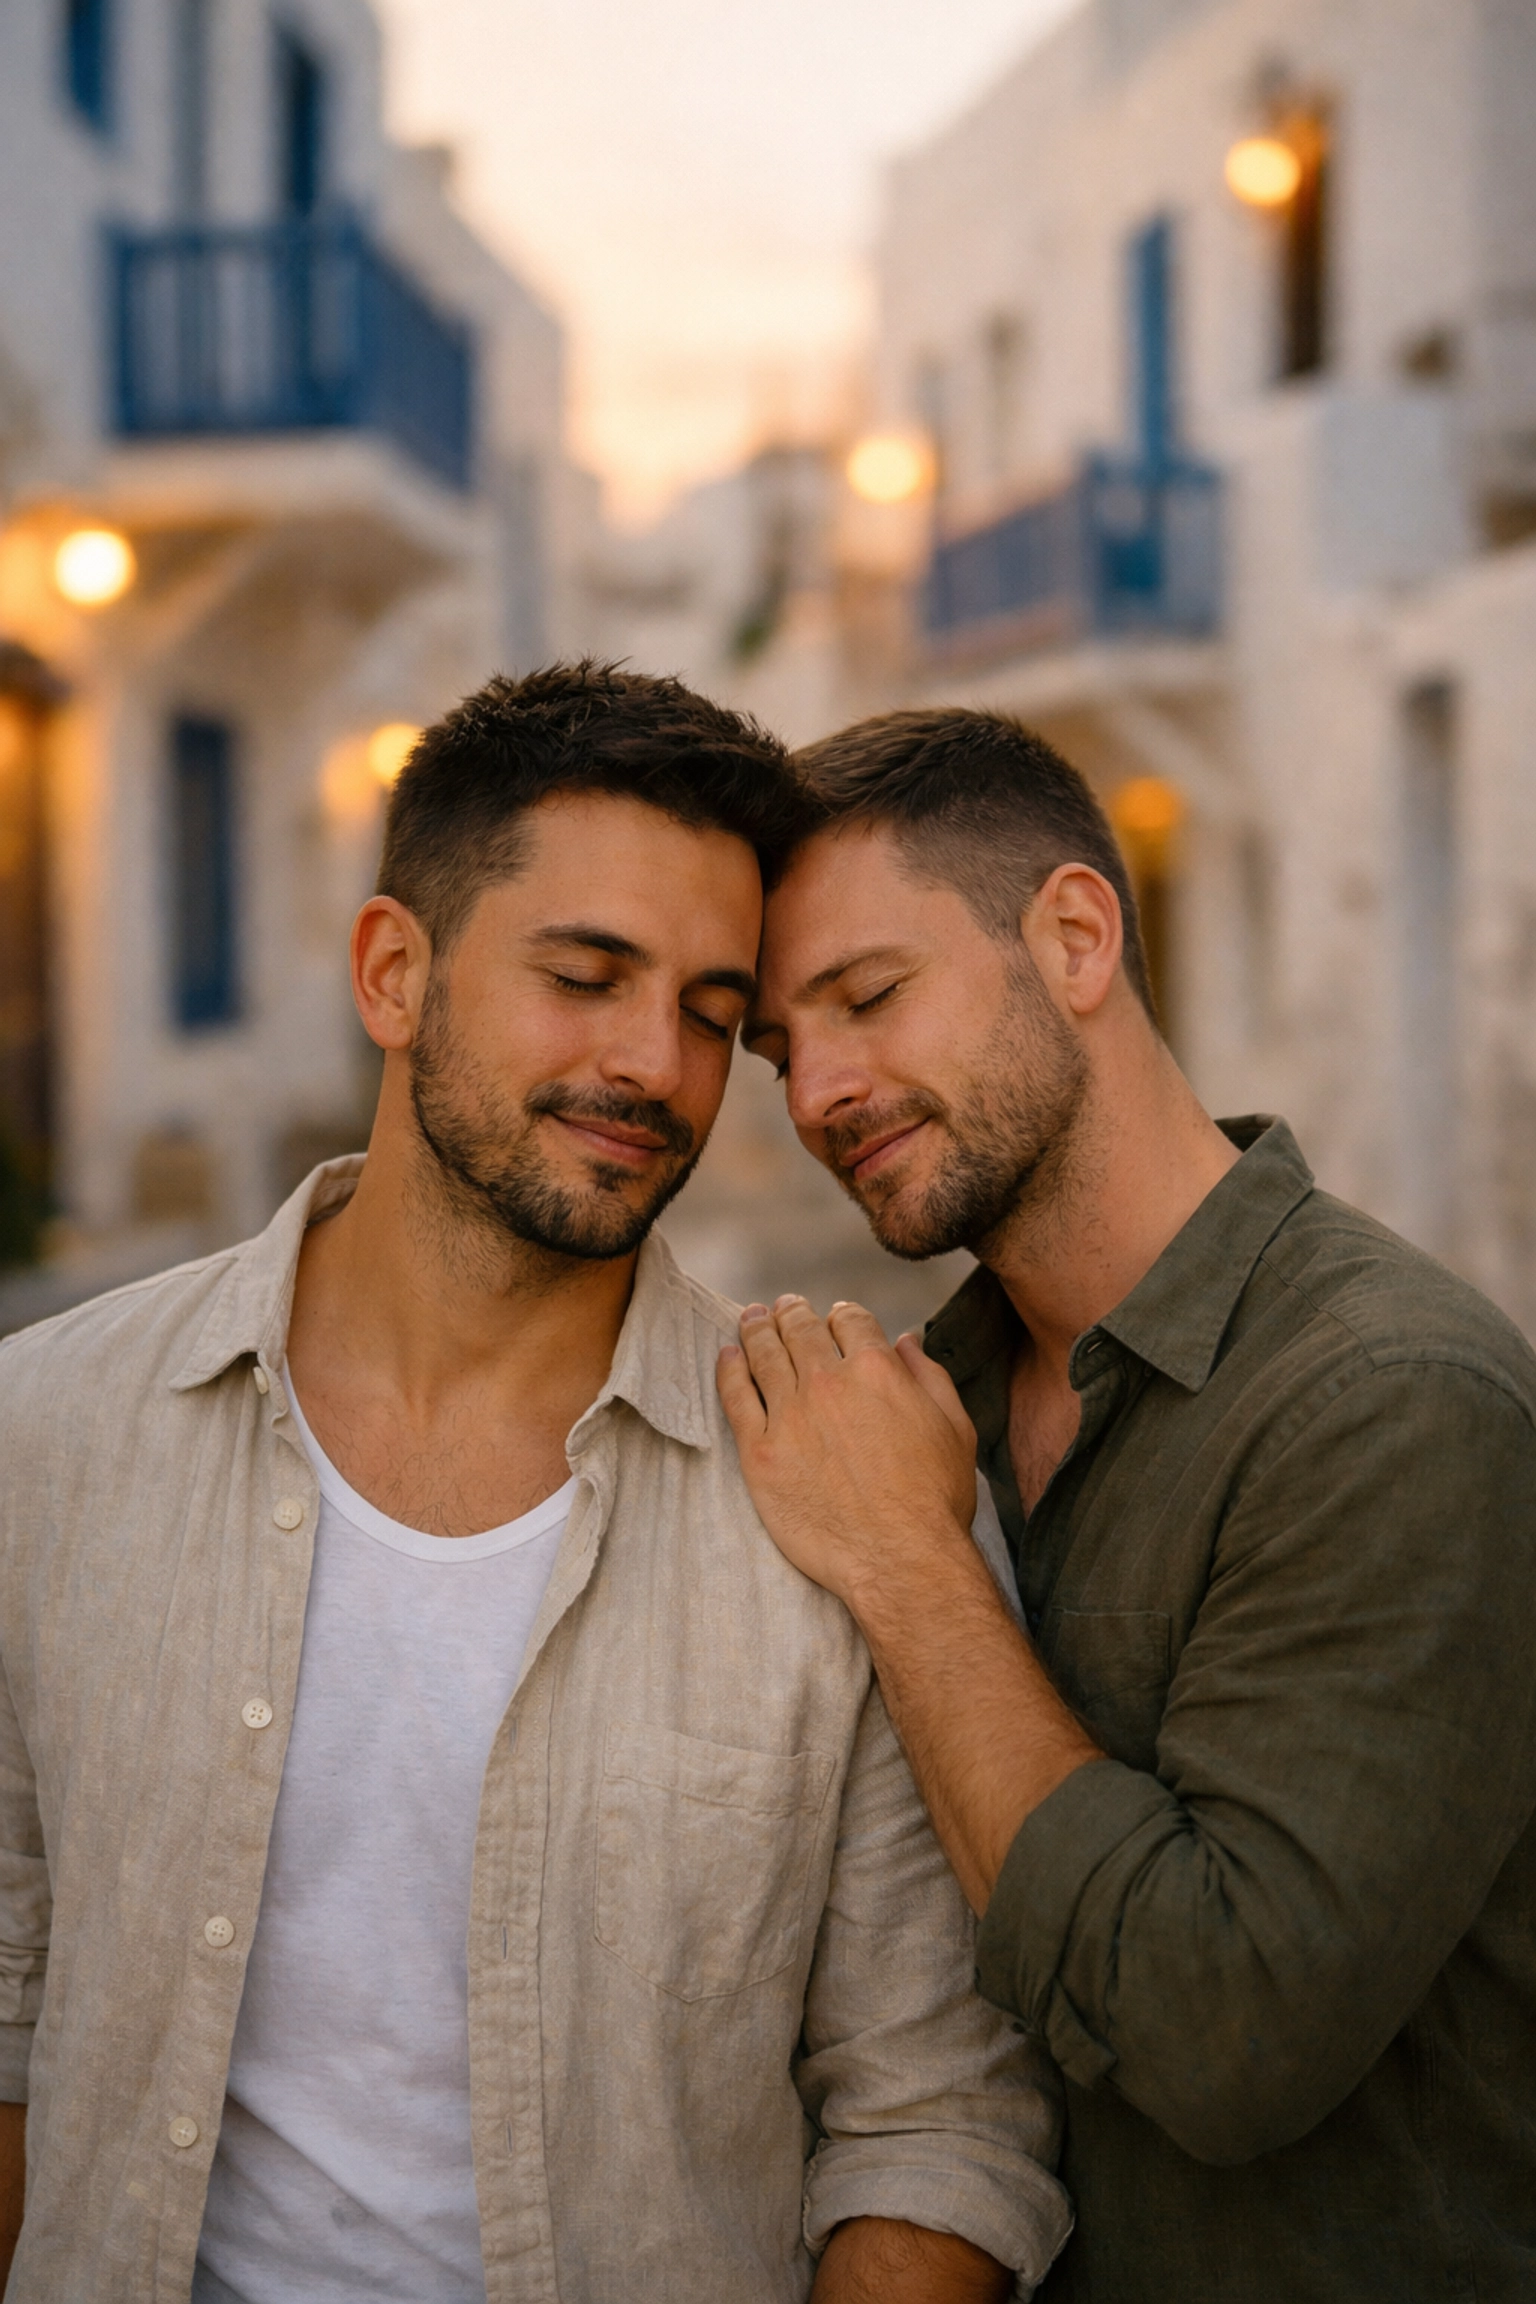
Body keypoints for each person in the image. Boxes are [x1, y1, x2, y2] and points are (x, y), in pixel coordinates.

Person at [0, 668, 1072, 2304]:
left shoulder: (837, 1484)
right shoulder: (52, 1436)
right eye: (585, 977)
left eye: (717, 1018)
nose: (653, 1064)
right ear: (394, 973)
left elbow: (938, 2118)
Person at [719, 705, 1536, 2303]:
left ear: (1077, 938)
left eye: (868, 998)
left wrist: (908, 1561)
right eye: (774, 1049)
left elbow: (1224, 2030)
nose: (818, 1090)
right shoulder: (915, 1407)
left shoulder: (1387, 1398)